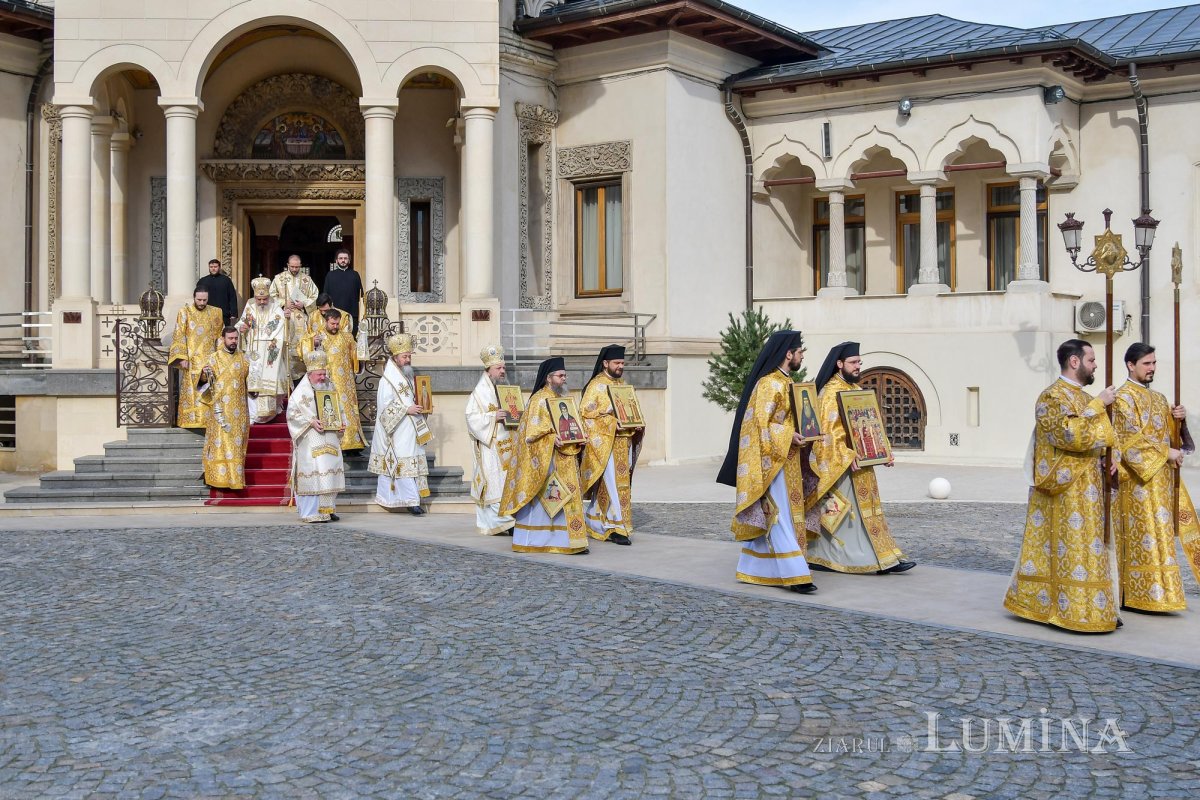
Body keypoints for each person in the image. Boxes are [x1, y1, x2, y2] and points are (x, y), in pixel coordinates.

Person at [1003, 339, 1120, 633]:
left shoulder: (1085, 398)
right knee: (1066, 548)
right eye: (1092, 360)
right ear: (1074, 361)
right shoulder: (1051, 397)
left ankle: (1093, 605)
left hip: (1090, 487)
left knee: (1090, 548)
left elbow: (1106, 436)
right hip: (1062, 490)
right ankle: (1056, 606)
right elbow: (1069, 436)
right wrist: (1097, 407)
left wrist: (1112, 457)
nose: (1096, 365)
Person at [716, 330, 815, 593]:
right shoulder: (770, 383)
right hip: (774, 460)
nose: (802, 356)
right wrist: (788, 435)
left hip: (789, 458)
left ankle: (755, 568)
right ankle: (795, 573)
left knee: (777, 514)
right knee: (779, 513)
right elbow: (760, 424)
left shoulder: (788, 382)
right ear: (788, 353)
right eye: (800, 351)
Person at [807, 342, 915, 575]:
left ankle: (885, 556)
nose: (858, 366)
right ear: (839, 364)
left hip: (863, 465)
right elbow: (826, 433)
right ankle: (870, 560)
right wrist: (847, 454)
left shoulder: (855, 389)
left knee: (870, 512)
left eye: (859, 362)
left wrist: (882, 450)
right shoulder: (829, 393)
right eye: (853, 362)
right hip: (844, 466)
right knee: (848, 518)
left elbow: (871, 425)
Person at [1112, 342, 1200, 612]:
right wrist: (1166, 453)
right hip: (1138, 483)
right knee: (1142, 538)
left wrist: (1179, 420)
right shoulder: (1121, 398)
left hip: (1160, 481)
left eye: (1154, 363)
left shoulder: (1160, 398)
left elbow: (1170, 437)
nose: (1152, 368)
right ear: (1131, 365)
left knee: (1162, 536)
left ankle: (1161, 594)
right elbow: (1128, 441)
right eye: (1147, 364)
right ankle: (1135, 595)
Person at [499, 357, 589, 555]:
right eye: (560, 375)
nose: (564, 379)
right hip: (546, 461)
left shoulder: (565, 400)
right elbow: (531, 433)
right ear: (549, 378)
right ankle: (534, 539)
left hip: (566, 457)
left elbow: (574, 424)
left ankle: (570, 541)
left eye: (565, 375)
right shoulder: (538, 400)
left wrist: (581, 435)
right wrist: (551, 438)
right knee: (546, 500)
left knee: (569, 496)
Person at [581, 344, 642, 546]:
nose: (620, 366)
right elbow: (585, 415)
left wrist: (638, 424)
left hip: (624, 444)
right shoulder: (595, 386)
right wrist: (610, 422)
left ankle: (598, 520)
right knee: (612, 485)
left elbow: (632, 411)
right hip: (606, 444)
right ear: (605, 363)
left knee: (620, 486)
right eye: (617, 363)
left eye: (622, 363)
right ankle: (615, 527)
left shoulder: (623, 385)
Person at [368, 333, 431, 514]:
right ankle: (411, 502)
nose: (408, 359)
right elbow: (384, 409)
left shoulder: (408, 376)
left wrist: (424, 406)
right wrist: (406, 410)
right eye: (404, 357)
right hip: (396, 431)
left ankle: (411, 499)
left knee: (410, 460)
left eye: (409, 356)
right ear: (395, 358)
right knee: (402, 462)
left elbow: (412, 398)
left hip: (411, 429)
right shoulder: (386, 380)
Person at [287, 348, 346, 523]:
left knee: (330, 471)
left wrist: (342, 424)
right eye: (319, 374)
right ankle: (311, 511)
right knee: (316, 471)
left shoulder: (330, 385)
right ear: (310, 373)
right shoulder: (300, 392)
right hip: (310, 439)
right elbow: (292, 414)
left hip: (331, 438)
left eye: (324, 373)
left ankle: (328, 508)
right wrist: (311, 421)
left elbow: (339, 407)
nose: (322, 377)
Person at [465, 344, 515, 535]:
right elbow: (470, 418)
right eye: (499, 368)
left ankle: (507, 518)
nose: (502, 371)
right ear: (488, 370)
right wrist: (492, 417)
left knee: (505, 483)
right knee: (495, 485)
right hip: (490, 447)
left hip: (507, 444)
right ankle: (503, 522)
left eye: (503, 367)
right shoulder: (479, 393)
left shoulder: (503, 388)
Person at [299, 308, 365, 451]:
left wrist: (363, 341)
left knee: (348, 411)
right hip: (328, 381)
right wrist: (313, 344)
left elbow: (357, 354)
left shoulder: (347, 337)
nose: (335, 326)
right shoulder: (318, 336)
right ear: (326, 321)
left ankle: (352, 444)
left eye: (337, 324)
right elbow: (304, 349)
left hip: (346, 382)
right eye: (332, 324)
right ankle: (335, 442)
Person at [199, 326, 250, 490]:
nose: (234, 341)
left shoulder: (244, 358)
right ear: (223, 339)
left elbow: (252, 381)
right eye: (231, 338)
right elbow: (203, 381)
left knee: (236, 445)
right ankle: (217, 479)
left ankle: (235, 480)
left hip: (239, 410)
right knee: (220, 444)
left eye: (236, 338)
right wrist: (203, 374)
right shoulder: (214, 358)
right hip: (220, 410)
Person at [235, 276, 291, 423]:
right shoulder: (250, 304)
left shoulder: (275, 305)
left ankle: (270, 410)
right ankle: (254, 413)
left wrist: (286, 318)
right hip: (254, 349)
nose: (261, 302)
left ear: (268, 296)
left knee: (272, 377)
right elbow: (242, 322)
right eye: (259, 299)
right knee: (253, 380)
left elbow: (280, 325)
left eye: (264, 299)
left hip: (271, 348)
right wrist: (242, 328)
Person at [167, 285, 223, 429]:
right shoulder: (185, 312)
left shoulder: (216, 312)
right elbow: (179, 335)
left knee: (209, 390)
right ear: (194, 298)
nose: (202, 303)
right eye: (199, 300)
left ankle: (210, 420)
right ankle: (191, 420)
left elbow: (219, 337)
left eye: (205, 300)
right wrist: (182, 357)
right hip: (192, 360)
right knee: (193, 392)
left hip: (210, 360)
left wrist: (221, 357)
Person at [270, 254, 319, 381]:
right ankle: (284, 380)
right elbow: (271, 296)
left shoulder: (307, 280)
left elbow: (314, 296)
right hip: (284, 317)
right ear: (287, 265)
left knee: (301, 346)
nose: (295, 269)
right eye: (292, 266)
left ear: (301, 266)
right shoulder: (279, 278)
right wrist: (283, 302)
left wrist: (304, 304)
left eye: (297, 267)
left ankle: (301, 379)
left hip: (301, 319)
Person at [323, 248, 363, 335]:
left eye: (345, 258)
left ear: (349, 260)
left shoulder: (355, 275)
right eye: (340, 258)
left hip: (352, 314)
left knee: (351, 339)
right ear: (336, 260)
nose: (343, 260)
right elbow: (326, 294)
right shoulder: (330, 275)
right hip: (335, 314)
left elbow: (360, 295)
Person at [196, 258, 239, 326]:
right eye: (211, 267)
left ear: (219, 267)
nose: (213, 269)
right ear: (209, 268)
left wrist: (234, 313)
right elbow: (197, 297)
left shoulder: (226, 280)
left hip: (223, 314)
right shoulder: (202, 281)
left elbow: (232, 297)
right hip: (206, 314)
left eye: (215, 267)